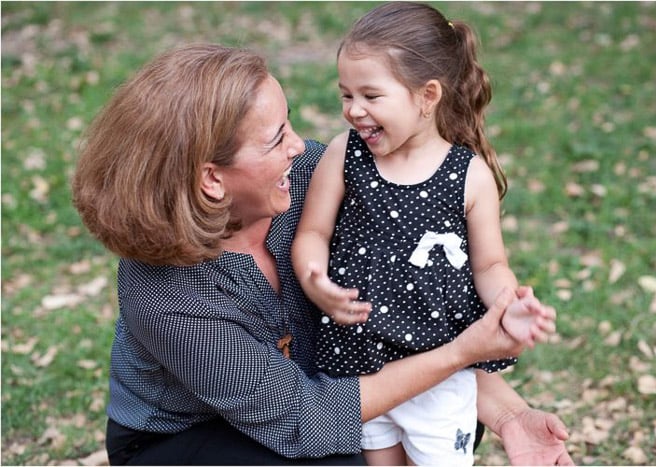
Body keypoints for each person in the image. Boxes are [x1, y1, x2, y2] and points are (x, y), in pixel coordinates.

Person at [72, 43, 572, 465]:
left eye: (289, 124)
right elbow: (300, 421)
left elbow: (408, 313)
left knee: (437, 423)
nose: (298, 145)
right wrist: (462, 353)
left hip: (316, 391)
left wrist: (508, 416)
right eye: (276, 139)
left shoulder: (315, 178)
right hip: (183, 440)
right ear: (211, 179)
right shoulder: (166, 293)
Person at [292, 3, 558, 465]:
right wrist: (316, 280)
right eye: (345, 95)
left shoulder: (468, 176)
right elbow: (313, 232)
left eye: (371, 96)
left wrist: (508, 304)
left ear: (427, 95)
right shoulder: (343, 155)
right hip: (358, 363)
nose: (354, 110)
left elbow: (490, 264)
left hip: (440, 366)